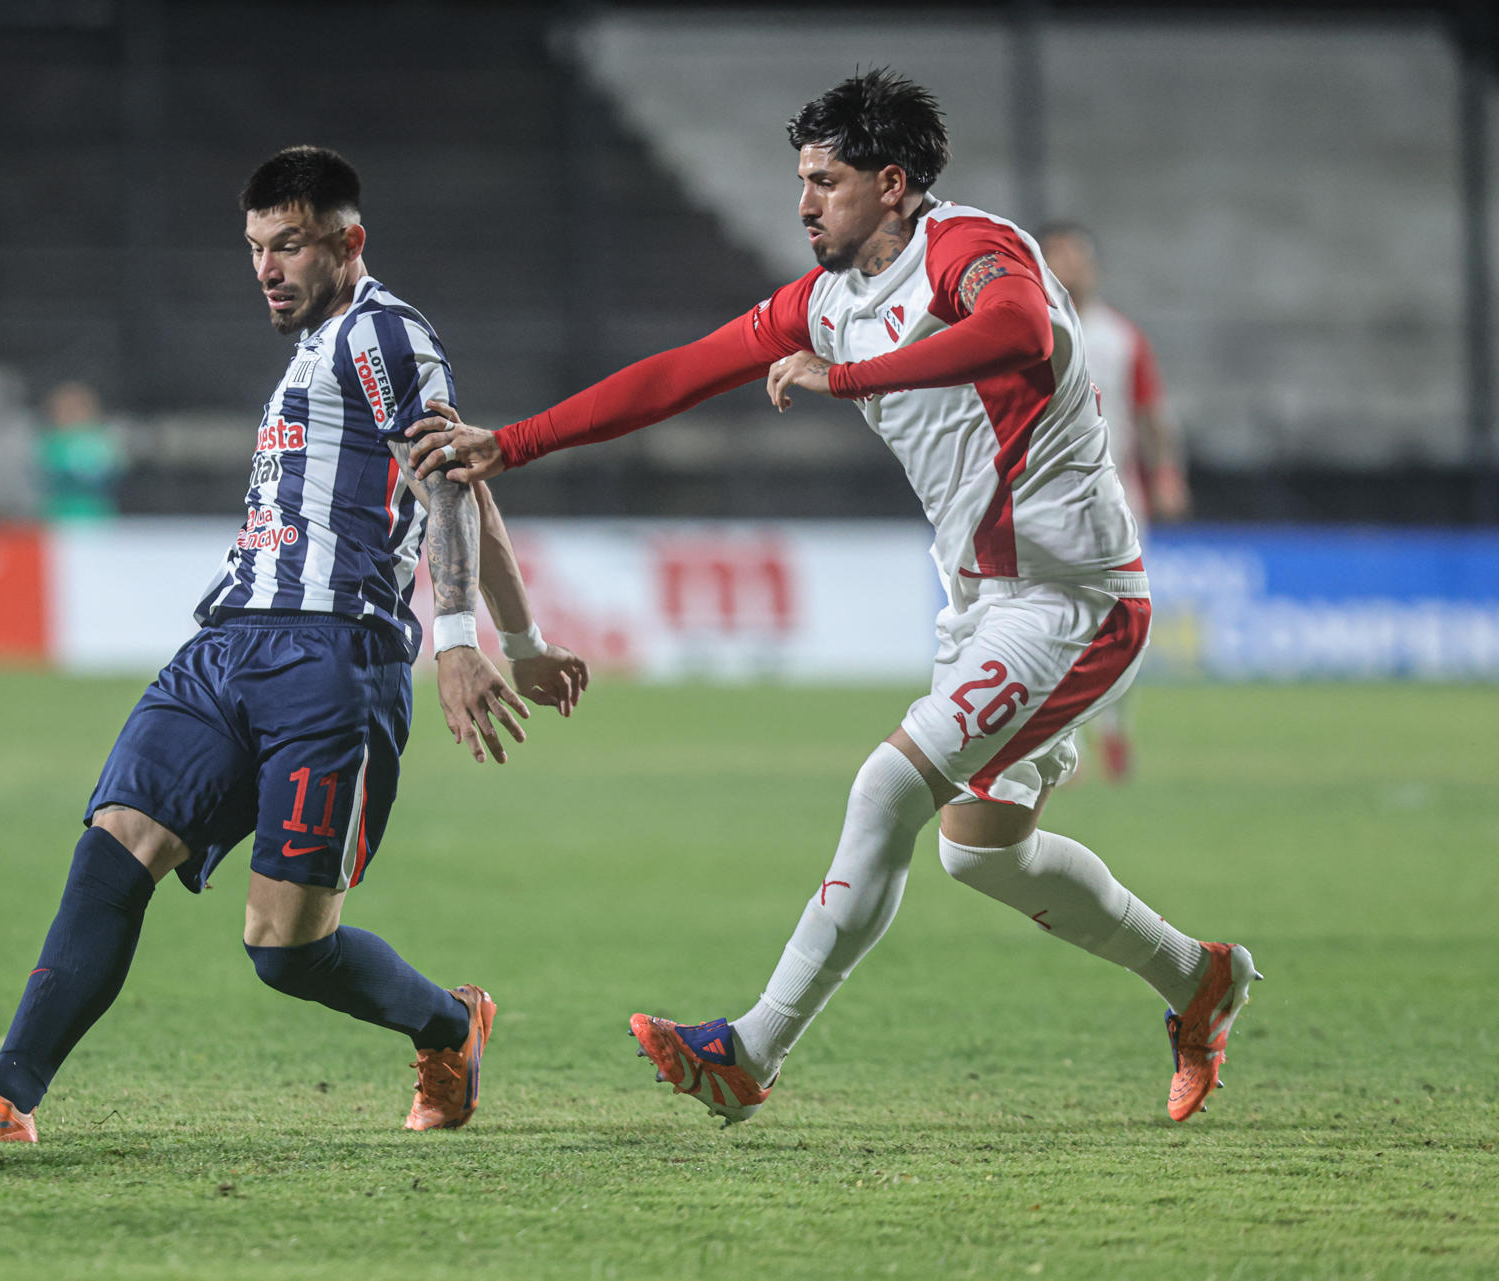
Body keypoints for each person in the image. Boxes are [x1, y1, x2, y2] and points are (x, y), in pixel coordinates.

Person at [408, 70, 1256, 1127]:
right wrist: (512, 444)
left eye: (825, 180)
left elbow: (1021, 336)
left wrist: (846, 379)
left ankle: (749, 1051)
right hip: (987, 607)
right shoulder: (823, 301)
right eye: (800, 180)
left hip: (1073, 595)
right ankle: (1198, 980)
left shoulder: (971, 251)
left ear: (892, 184)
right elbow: (679, 373)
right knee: (981, 853)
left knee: (886, 790)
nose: (803, 202)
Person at [0, 146, 590, 1143]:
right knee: (115, 846)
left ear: (347, 242)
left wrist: (464, 639)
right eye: (255, 248)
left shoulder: (386, 333)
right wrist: (525, 634)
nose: (267, 268)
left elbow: (452, 476)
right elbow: (468, 482)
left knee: (286, 950)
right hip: (225, 646)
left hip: (335, 665)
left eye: (289, 245)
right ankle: (5, 1096)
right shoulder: (313, 354)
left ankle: (450, 1025)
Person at [1041, 224, 1188, 781]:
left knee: (1122, 623)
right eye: (1060, 256)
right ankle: (1059, 740)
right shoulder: (1029, 326)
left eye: (1078, 256)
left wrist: (1167, 475)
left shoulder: (1122, 339)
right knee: (1055, 620)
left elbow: (1152, 414)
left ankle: (1114, 733)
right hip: (1045, 500)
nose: (1071, 266)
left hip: (1119, 501)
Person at [37, 381, 125, 521]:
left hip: (95, 514)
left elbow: (113, 473)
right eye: (63, 409)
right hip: (57, 515)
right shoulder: (50, 443)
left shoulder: (102, 442)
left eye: (75, 409)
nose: (69, 415)